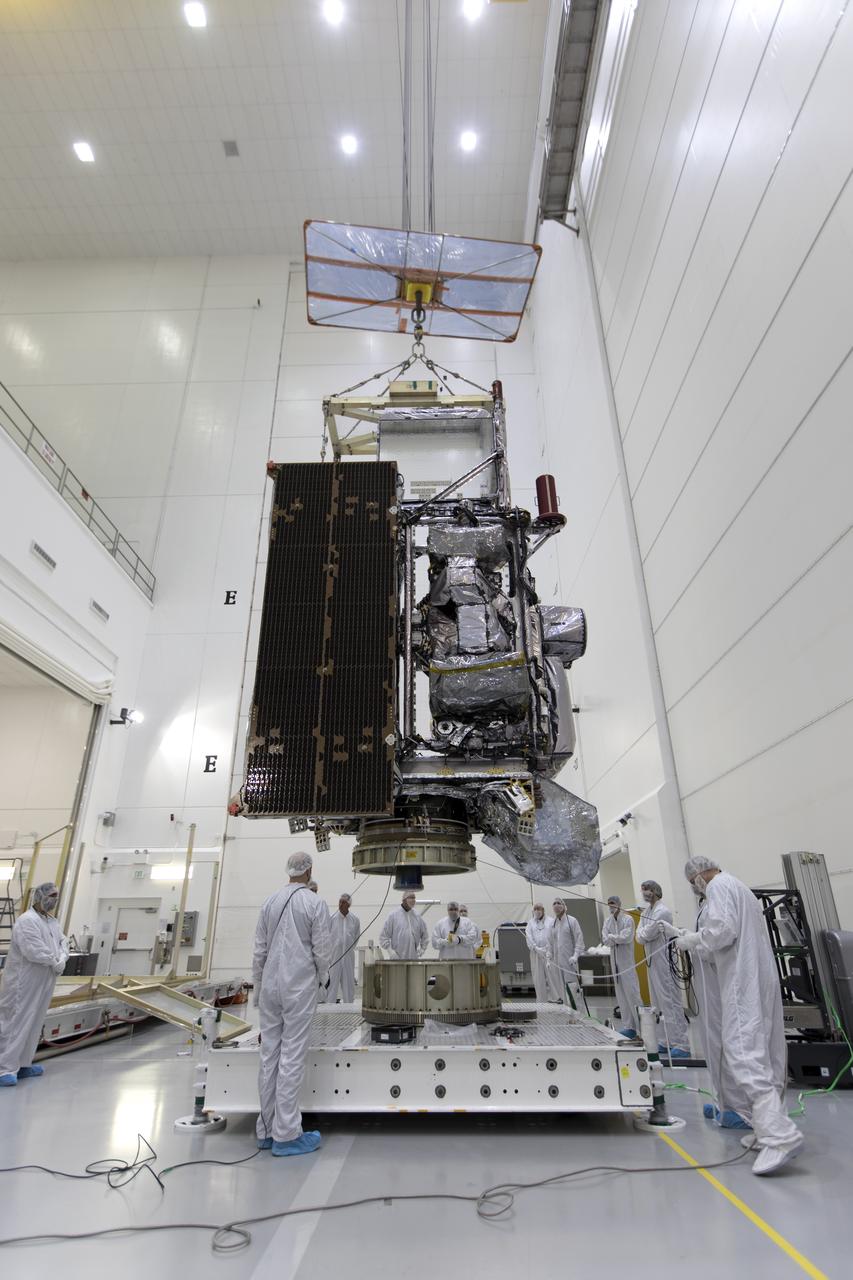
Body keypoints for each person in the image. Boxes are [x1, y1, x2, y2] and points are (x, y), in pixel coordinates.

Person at [676, 856, 804, 1176]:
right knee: (769, 1054)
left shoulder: (718, 886)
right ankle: (766, 1128)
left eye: (693, 881)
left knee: (744, 1054)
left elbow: (722, 931)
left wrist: (694, 939)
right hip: (761, 979)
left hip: (740, 983)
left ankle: (779, 1135)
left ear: (700, 874)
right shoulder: (739, 886)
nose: (694, 886)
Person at [252, 851, 330, 1157]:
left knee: (269, 1055)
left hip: (270, 986)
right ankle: (286, 1134)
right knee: (292, 1057)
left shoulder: (269, 902)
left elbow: (259, 950)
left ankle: (266, 1130)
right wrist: (324, 979)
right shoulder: (314, 903)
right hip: (297, 987)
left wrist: (258, 986)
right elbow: (322, 949)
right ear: (309, 870)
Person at [0, 882, 68, 1087]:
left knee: (35, 1021)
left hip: (45, 978)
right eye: (51, 895)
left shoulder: (52, 922)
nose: (54, 899)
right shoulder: (26, 921)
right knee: (16, 1021)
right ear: (39, 896)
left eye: (57, 896)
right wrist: (55, 961)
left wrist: (62, 958)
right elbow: (33, 950)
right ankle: (5, 1068)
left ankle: (23, 1064)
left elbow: (64, 942)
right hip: (24, 980)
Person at [635, 879, 690, 1058]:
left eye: (648, 889)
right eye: (644, 890)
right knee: (657, 1003)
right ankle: (666, 1040)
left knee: (670, 1001)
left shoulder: (663, 911)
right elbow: (640, 937)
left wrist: (645, 934)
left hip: (665, 961)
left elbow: (647, 933)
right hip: (652, 961)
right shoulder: (646, 913)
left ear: (656, 891)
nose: (645, 893)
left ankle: (681, 1043)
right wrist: (645, 934)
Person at [601, 895, 642, 1038]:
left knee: (633, 994)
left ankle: (642, 1027)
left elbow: (627, 937)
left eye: (612, 903)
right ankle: (629, 1027)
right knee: (621, 996)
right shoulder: (608, 921)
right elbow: (605, 939)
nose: (610, 905)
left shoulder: (628, 919)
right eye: (608, 903)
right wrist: (614, 938)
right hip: (615, 963)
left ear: (619, 904)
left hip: (626, 963)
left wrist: (613, 937)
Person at [548, 900, 585, 1008]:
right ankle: (566, 1013)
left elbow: (579, 939)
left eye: (559, 903)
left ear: (564, 906)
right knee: (561, 989)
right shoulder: (553, 924)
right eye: (554, 903)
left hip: (570, 962)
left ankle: (575, 1015)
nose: (556, 905)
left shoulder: (572, 921)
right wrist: (548, 956)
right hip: (557, 962)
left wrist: (576, 955)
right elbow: (549, 942)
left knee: (572, 988)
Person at [327, 893, 360, 1003]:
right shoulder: (331, 919)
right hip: (334, 957)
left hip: (348, 958)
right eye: (340, 901)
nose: (340, 904)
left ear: (349, 905)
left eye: (344, 902)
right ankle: (329, 1007)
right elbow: (327, 937)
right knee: (332, 984)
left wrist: (347, 948)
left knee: (348, 984)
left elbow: (356, 937)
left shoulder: (355, 920)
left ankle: (349, 1006)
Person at [379, 891, 429, 959]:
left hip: (413, 958)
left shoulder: (417, 916)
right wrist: (391, 952)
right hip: (397, 958)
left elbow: (425, 935)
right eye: (410, 898)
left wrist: (422, 949)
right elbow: (383, 937)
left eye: (414, 898)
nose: (413, 900)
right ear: (403, 900)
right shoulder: (393, 916)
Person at [525, 904, 551, 1003]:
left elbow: (553, 936)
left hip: (549, 953)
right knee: (538, 979)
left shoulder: (550, 921)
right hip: (535, 954)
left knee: (551, 978)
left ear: (543, 910)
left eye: (538, 909)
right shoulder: (530, 923)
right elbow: (528, 937)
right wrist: (535, 948)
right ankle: (541, 1002)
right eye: (535, 909)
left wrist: (547, 948)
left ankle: (555, 1000)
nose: (537, 911)